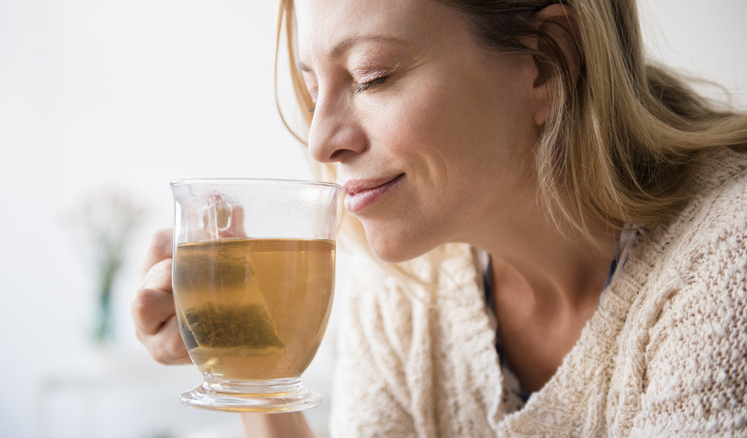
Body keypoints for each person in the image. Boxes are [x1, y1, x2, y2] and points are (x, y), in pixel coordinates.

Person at [132, 0, 747, 436]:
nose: (320, 142)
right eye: (315, 87)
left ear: (548, 62)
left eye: (372, 77)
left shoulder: (726, 267)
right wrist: (251, 367)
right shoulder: (402, 285)